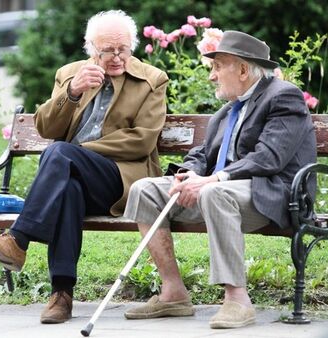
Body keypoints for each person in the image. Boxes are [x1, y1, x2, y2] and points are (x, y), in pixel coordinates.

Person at [0, 10, 168, 324]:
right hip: (72, 175)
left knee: (62, 155)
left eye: (123, 49)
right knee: (69, 190)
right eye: (107, 51)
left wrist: (77, 152)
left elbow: (141, 141)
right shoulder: (69, 74)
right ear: (91, 49)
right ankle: (61, 295)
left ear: (132, 47)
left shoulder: (151, 80)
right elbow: (46, 128)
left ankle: (18, 239)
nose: (117, 57)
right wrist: (72, 93)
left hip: (121, 180)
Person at [123, 30, 316, 329]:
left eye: (217, 66)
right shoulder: (229, 109)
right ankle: (173, 292)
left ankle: (237, 300)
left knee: (216, 193)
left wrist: (214, 180)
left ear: (242, 69)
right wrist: (186, 175)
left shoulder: (283, 96)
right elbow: (203, 153)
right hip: (223, 191)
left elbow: (270, 157)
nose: (212, 76)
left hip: (275, 195)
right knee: (145, 189)